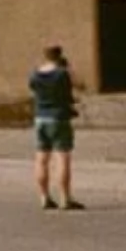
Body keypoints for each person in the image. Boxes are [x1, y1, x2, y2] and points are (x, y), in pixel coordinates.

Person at [29, 46, 84, 210]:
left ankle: (44, 197)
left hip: (40, 118)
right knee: (62, 158)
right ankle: (65, 198)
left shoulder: (35, 75)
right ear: (60, 56)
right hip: (58, 118)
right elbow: (80, 85)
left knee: (41, 159)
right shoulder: (62, 73)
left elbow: (34, 91)